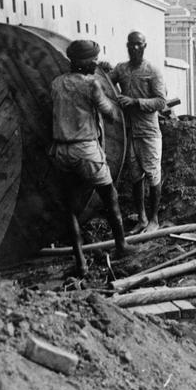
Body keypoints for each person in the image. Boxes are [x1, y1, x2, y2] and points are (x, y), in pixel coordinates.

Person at [50, 39, 131, 276]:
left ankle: (81, 262)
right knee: (110, 196)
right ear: (81, 62)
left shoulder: (56, 83)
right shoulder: (91, 85)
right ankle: (122, 245)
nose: (95, 63)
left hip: (61, 151)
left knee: (70, 208)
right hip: (85, 149)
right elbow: (110, 113)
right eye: (92, 60)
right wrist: (117, 105)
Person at [107, 31, 167, 233]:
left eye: (138, 45)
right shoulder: (121, 69)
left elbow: (161, 101)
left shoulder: (153, 71)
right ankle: (141, 218)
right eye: (131, 45)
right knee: (135, 176)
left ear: (144, 46)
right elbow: (106, 82)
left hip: (149, 131)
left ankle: (154, 219)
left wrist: (135, 102)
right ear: (127, 46)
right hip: (128, 132)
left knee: (153, 175)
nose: (134, 48)